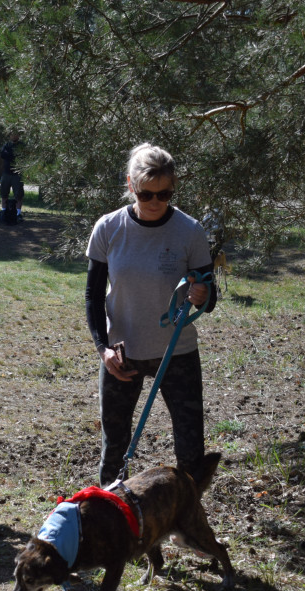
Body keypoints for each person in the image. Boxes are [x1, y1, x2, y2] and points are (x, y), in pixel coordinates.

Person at [84, 143, 217, 487]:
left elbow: (209, 294)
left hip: (177, 354)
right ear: (131, 186)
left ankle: (186, 520)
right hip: (122, 354)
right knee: (115, 448)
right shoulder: (109, 228)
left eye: (165, 194)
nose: (156, 202)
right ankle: (110, 520)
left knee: (190, 450)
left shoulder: (190, 231)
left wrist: (201, 294)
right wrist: (103, 349)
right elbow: (93, 295)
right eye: (146, 194)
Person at [0, 131, 24, 223]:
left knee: (18, 194)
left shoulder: (22, 146)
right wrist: (12, 155)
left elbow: (20, 157)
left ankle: (18, 214)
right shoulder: (6, 145)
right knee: (4, 193)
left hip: (17, 174)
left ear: (18, 135)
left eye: (15, 134)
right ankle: (4, 211)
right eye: (12, 134)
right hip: (6, 173)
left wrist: (10, 155)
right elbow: (3, 155)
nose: (13, 136)